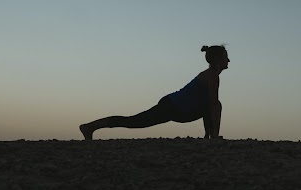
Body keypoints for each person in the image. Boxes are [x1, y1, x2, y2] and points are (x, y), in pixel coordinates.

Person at [79, 45, 230, 140]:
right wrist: (216, 134)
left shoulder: (210, 75)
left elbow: (209, 106)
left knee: (212, 105)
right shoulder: (211, 76)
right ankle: (90, 126)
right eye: (225, 57)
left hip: (176, 108)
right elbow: (213, 105)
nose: (228, 60)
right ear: (217, 59)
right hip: (171, 107)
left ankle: (210, 136)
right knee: (133, 121)